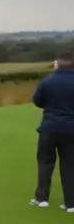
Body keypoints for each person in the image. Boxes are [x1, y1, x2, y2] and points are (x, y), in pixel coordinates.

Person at [30, 51, 74, 212]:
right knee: (69, 165)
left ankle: (42, 199)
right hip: (71, 129)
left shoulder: (47, 81)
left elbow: (37, 101)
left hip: (50, 127)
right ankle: (71, 203)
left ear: (58, 64)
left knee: (45, 162)